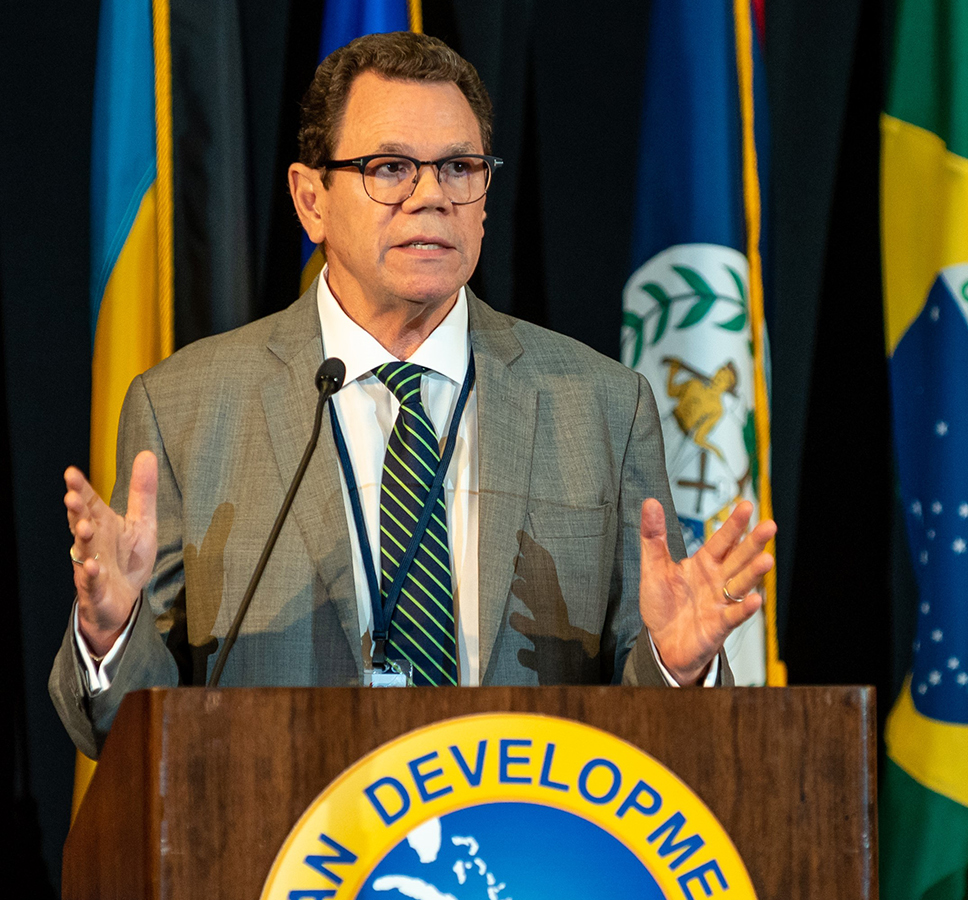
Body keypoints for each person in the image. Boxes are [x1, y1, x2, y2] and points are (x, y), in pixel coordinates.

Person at [51, 32, 775, 760]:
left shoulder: (603, 406)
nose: (431, 196)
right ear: (311, 200)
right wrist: (111, 635)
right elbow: (120, 733)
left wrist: (675, 668)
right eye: (390, 168)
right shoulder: (186, 410)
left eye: (460, 168)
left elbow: (645, 737)